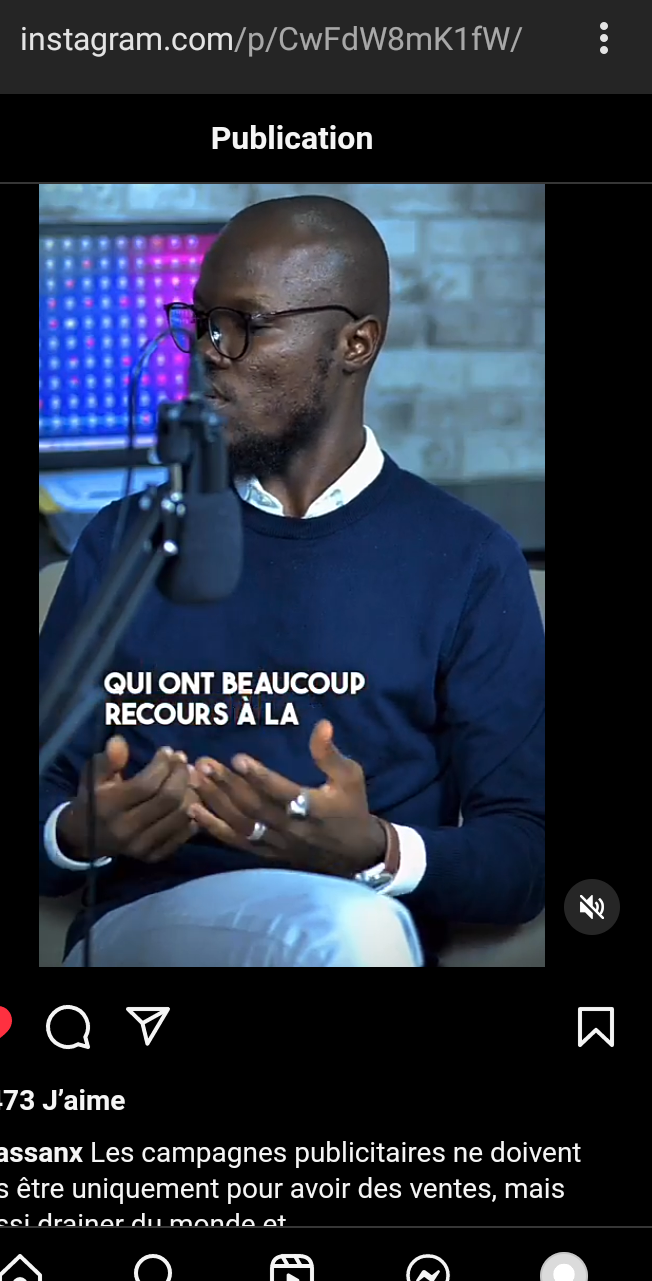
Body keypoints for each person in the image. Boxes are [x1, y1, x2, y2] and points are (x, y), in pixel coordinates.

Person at [39, 194, 545, 967]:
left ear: (355, 343)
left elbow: (525, 851)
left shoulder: (471, 561)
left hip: (371, 928)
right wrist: (77, 831)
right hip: (148, 923)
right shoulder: (124, 541)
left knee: (353, 929)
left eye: (244, 322)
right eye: (203, 321)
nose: (209, 350)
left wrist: (375, 849)